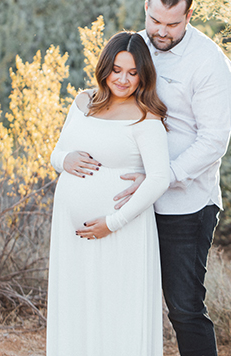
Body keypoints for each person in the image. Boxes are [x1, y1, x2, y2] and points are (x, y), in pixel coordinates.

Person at [115, 0, 231, 356]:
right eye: (155, 20)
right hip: (131, 200)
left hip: (185, 206)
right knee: (131, 301)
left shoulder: (210, 63)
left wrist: (159, 178)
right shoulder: (136, 46)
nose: (161, 31)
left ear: (189, 15)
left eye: (172, 23)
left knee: (184, 309)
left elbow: (213, 141)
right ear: (146, 8)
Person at [46, 31, 170, 356]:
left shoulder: (146, 117)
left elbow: (159, 178)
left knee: (117, 309)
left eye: (132, 72)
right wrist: (64, 160)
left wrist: (112, 223)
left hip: (121, 231)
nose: (123, 80)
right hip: (71, 235)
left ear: (143, 75)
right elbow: (57, 154)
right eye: (116, 70)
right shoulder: (83, 102)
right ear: (105, 68)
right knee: (76, 305)